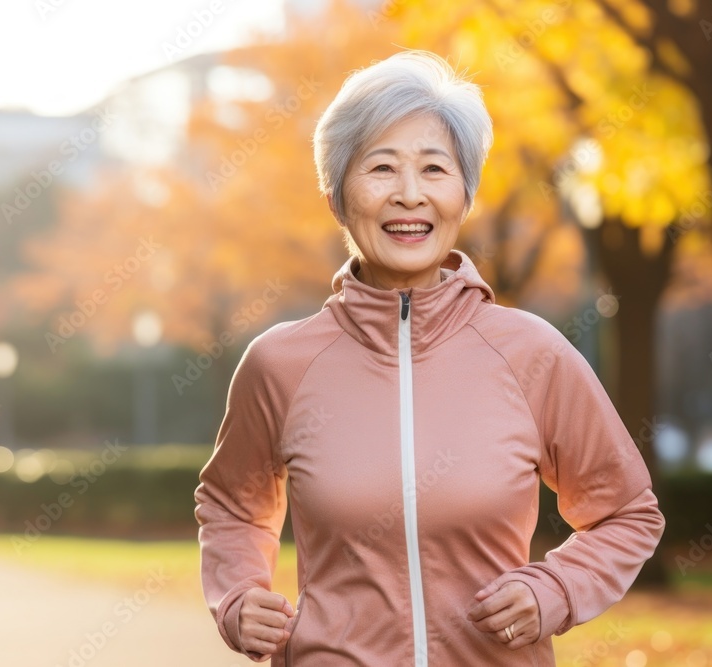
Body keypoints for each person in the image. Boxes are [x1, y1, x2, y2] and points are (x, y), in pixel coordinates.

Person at [195, 49, 665, 666]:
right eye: (381, 168)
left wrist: (554, 589)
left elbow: (626, 512)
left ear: (464, 195)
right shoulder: (279, 364)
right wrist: (237, 597)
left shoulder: (533, 353)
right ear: (337, 197)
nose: (409, 195)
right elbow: (232, 504)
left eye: (435, 169)